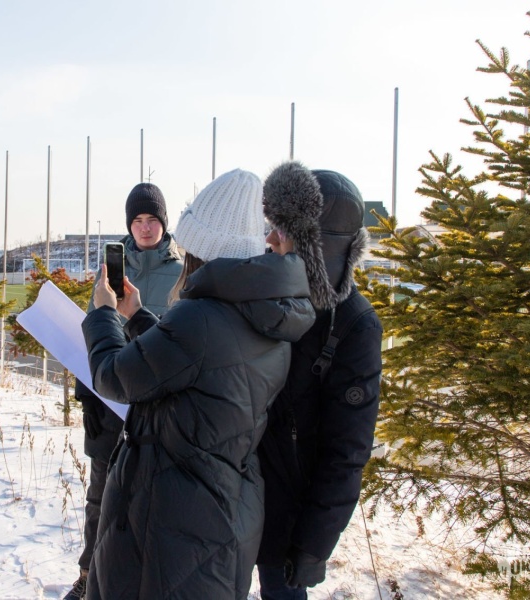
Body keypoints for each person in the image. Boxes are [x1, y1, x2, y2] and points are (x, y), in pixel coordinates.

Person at [81, 169, 317, 599]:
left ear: (203, 249)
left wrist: (102, 314)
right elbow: (196, 363)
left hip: (173, 516)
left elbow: (114, 377)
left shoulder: (200, 316)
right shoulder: (264, 311)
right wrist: (137, 317)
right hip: (223, 508)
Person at [255, 162, 383, 599]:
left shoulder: (354, 326)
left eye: (284, 230)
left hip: (288, 522)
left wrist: (314, 544)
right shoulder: (268, 294)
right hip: (235, 499)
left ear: (316, 247)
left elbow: (347, 450)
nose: (271, 239)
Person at [64, 182, 183, 600]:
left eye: (152, 220)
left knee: (157, 501)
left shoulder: (182, 271)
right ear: (129, 225)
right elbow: (92, 332)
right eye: (138, 221)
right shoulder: (109, 273)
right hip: (112, 401)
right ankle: (87, 578)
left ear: (163, 223)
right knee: (101, 497)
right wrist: (87, 394)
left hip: (159, 406)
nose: (145, 228)